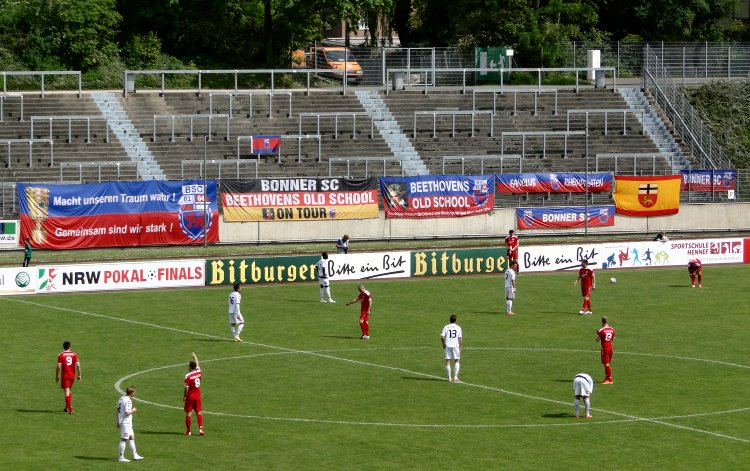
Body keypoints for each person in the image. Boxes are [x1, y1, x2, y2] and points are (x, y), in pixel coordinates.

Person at [116, 386, 144, 462]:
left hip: (125, 422)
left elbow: (117, 409)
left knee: (131, 437)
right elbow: (127, 412)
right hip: (126, 422)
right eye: (134, 392)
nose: (135, 394)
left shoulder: (121, 398)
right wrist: (133, 410)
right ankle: (121, 457)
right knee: (124, 439)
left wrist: (118, 421)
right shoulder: (128, 400)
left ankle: (135, 455)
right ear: (131, 393)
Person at [56, 341, 81, 414]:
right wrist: (79, 375)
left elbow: (58, 366)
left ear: (64, 347)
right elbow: (78, 366)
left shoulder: (61, 355)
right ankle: (66, 407)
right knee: (69, 391)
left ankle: (70, 409)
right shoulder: (74, 354)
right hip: (72, 376)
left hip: (65, 376)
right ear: (70, 347)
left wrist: (57, 376)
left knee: (66, 392)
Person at [184, 352, 204, 436]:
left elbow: (186, 388)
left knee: (189, 413)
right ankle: (200, 429)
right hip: (197, 396)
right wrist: (195, 357)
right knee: (198, 412)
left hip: (190, 397)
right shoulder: (199, 372)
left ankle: (188, 431)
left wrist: (184, 396)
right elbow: (198, 365)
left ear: (189, 367)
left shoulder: (188, 376)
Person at [440, 314, 463, 382]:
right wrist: (460, 346)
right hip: (455, 345)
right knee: (457, 360)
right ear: (456, 320)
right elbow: (460, 339)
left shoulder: (446, 327)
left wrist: (444, 344)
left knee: (447, 361)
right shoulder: (458, 327)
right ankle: (455, 377)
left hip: (448, 345)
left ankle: (449, 378)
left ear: (450, 320)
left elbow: (442, 336)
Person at [596, 317, 615, 384]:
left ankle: (609, 380)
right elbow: (613, 338)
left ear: (602, 322)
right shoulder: (612, 329)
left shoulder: (601, 330)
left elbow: (597, 340)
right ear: (607, 321)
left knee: (606, 364)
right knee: (606, 363)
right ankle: (606, 378)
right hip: (610, 348)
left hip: (605, 349)